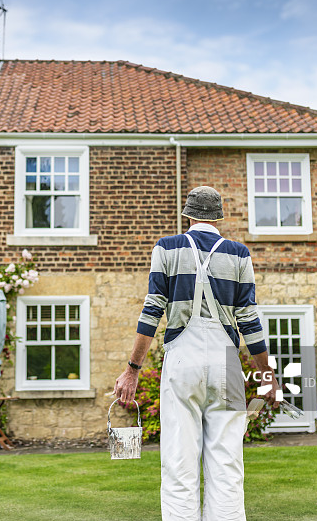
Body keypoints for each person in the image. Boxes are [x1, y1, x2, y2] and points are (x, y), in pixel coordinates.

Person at [113, 185, 280, 521]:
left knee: (179, 464)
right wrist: (267, 377)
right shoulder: (238, 254)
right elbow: (249, 319)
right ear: (219, 217)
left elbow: (152, 309)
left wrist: (133, 369)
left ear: (187, 215)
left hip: (182, 361)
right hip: (227, 365)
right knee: (227, 466)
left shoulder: (166, 248)